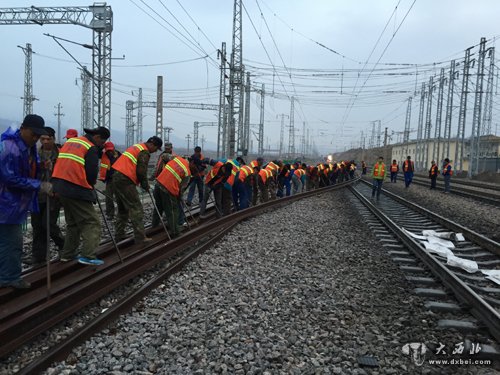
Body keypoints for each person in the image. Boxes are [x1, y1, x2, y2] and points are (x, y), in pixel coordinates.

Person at [0, 115, 47, 288]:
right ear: (23, 128)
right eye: (33, 134)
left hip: (13, 204)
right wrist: (38, 185)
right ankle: (8, 278)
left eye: (38, 136)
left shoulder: (27, 147)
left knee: (7, 241)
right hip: (5, 204)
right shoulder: (9, 148)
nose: (35, 138)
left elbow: (26, 168)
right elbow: (9, 178)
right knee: (12, 242)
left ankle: (6, 275)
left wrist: (41, 166)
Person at [52, 126, 110, 266]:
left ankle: (67, 254)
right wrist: (90, 188)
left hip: (59, 187)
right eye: (102, 142)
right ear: (97, 137)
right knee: (91, 222)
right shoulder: (90, 147)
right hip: (75, 188)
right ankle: (88, 256)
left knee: (73, 223)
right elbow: (91, 173)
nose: (101, 145)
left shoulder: (71, 142)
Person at [112, 136, 162, 244]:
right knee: (136, 207)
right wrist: (145, 185)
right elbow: (141, 171)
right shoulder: (144, 151)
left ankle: (119, 235)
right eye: (156, 148)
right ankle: (140, 237)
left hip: (116, 177)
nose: (155, 151)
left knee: (122, 209)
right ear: (152, 144)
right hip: (125, 179)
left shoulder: (136, 147)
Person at [30, 126, 65, 266]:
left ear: (53, 139)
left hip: (54, 195)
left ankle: (63, 245)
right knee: (37, 225)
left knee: (48, 224)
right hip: (37, 195)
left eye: (48, 139)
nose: (45, 142)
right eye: (42, 139)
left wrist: (57, 190)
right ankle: (38, 256)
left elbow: (65, 175)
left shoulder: (61, 155)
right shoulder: (35, 154)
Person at [155, 156, 196, 238]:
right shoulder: (187, 173)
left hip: (158, 184)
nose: (194, 168)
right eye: (195, 166)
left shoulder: (177, 158)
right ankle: (175, 232)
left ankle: (154, 226)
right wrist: (179, 197)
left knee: (158, 207)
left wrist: (157, 173)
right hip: (168, 189)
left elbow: (164, 157)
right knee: (173, 211)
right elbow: (181, 189)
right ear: (192, 163)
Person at [151, 142, 174, 228]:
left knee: (166, 205)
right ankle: (157, 224)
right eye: (166, 148)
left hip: (168, 184)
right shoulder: (162, 157)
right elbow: (157, 168)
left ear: (171, 148)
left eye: (169, 148)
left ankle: (169, 223)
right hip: (161, 183)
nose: (167, 150)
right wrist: (152, 178)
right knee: (162, 205)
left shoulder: (173, 157)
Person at [98, 141, 121, 219]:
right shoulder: (103, 155)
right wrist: (101, 146)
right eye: (108, 150)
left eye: (111, 150)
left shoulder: (119, 155)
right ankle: (110, 214)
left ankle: (122, 214)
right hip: (110, 180)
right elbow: (96, 151)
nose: (110, 152)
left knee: (120, 197)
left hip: (119, 180)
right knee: (108, 198)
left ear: (114, 148)